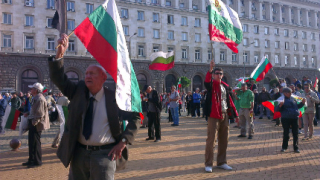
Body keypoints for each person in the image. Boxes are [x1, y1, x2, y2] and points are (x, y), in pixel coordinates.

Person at [49, 34, 141, 179]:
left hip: (105, 155)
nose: (87, 76)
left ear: (103, 78)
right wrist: (60, 54)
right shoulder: (77, 91)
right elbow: (59, 79)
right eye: (86, 74)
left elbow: (136, 117)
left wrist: (123, 142)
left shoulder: (114, 98)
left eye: (92, 73)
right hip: (78, 154)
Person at [204, 60, 238, 172]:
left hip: (224, 114)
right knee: (211, 140)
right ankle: (208, 163)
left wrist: (235, 115)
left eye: (220, 73)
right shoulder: (211, 85)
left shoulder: (225, 86)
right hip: (214, 115)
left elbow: (230, 102)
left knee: (224, 139)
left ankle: (221, 162)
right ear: (213, 75)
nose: (219, 75)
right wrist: (210, 69)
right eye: (217, 73)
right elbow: (207, 82)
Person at [22, 82, 50, 168]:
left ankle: (37, 161)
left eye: (32, 88)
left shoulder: (40, 99)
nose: (30, 90)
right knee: (31, 142)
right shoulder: (36, 98)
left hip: (36, 124)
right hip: (34, 123)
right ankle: (31, 160)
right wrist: (27, 113)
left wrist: (33, 122)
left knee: (35, 143)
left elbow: (40, 114)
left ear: (36, 90)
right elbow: (34, 111)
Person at [275, 88, 305, 153]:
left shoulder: (293, 98)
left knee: (295, 133)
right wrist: (280, 105)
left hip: (294, 117)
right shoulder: (281, 99)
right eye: (289, 93)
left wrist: (302, 103)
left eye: (291, 92)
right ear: (285, 93)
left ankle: (296, 147)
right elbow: (276, 109)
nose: (291, 94)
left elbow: (297, 106)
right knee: (286, 133)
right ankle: (284, 147)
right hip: (286, 118)